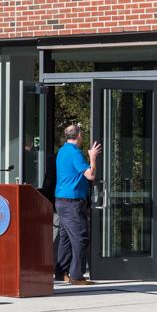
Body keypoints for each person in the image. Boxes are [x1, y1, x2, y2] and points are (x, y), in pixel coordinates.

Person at [54, 122, 101, 286]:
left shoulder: (62, 151)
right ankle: (76, 275)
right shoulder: (75, 153)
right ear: (79, 135)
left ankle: (61, 273)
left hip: (61, 201)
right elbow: (90, 175)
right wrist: (92, 157)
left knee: (66, 238)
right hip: (72, 202)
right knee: (81, 238)